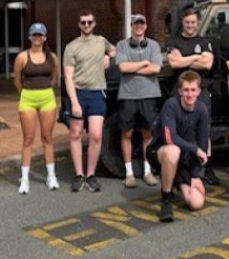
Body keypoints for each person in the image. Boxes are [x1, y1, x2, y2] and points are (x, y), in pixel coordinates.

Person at [63, 10, 116, 193]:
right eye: (83, 22)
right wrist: (75, 102)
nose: (86, 25)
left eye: (89, 22)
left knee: (96, 135)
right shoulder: (71, 47)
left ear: (94, 24)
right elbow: (68, 78)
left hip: (96, 93)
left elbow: (114, 50)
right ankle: (79, 175)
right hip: (78, 93)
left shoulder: (101, 41)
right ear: (79, 24)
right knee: (76, 133)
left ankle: (91, 174)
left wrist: (109, 56)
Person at [146, 71, 210, 223]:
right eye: (186, 90)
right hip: (159, 151)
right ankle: (166, 200)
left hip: (183, 157)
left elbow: (203, 144)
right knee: (173, 151)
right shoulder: (171, 105)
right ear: (180, 91)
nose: (189, 94)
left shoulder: (202, 110)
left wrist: (195, 176)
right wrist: (195, 150)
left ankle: (176, 182)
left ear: (199, 91)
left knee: (196, 203)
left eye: (193, 90)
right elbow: (171, 138)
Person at [166, 8, 218, 185]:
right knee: (180, 128)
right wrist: (196, 57)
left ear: (197, 22)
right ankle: (181, 167)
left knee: (204, 129)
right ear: (182, 22)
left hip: (200, 90)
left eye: (193, 22)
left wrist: (185, 59)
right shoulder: (174, 41)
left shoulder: (204, 41)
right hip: (179, 90)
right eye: (187, 22)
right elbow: (174, 63)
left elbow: (208, 63)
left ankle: (206, 167)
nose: (190, 25)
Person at [115, 14, 162, 188]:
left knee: (147, 134)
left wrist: (132, 69)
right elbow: (122, 67)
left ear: (146, 26)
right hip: (128, 96)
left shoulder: (154, 45)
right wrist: (144, 63)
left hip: (149, 95)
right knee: (126, 133)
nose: (138, 26)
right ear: (131, 26)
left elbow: (156, 68)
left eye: (141, 23)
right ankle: (129, 174)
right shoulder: (122, 45)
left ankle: (147, 171)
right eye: (136, 23)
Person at [13, 23, 60, 195]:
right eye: (34, 35)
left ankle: (51, 176)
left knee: (47, 137)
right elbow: (17, 80)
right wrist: (26, 93)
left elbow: (53, 78)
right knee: (28, 139)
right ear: (29, 36)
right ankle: (24, 179)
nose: (37, 38)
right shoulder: (22, 57)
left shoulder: (52, 57)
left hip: (47, 98)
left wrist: (46, 90)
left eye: (40, 35)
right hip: (28, 98)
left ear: (45, 37)